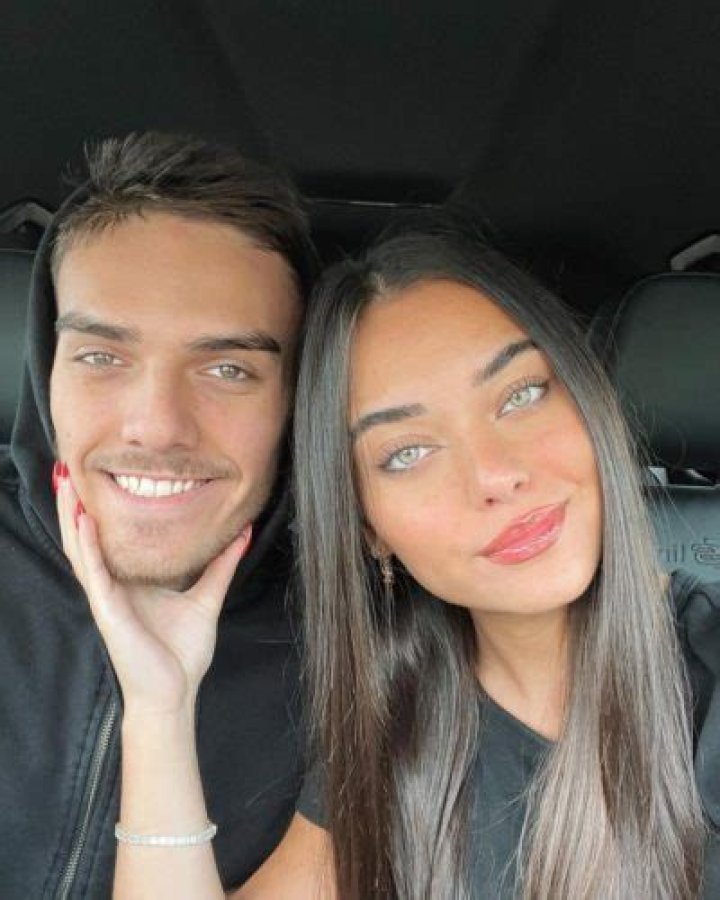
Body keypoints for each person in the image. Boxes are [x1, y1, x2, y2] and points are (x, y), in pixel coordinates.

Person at [57, 218, 719, 898]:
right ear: (369, 528)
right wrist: (159, 704)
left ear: (591, 398)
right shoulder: (398, 725)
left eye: (521, 395)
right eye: (407, 453)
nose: (495, 475)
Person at [0, 131, 317, 899]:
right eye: (102, 357)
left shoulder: (365, 645)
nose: (157, 427)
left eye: (228, 368)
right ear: (45, 370)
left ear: (295, 402)